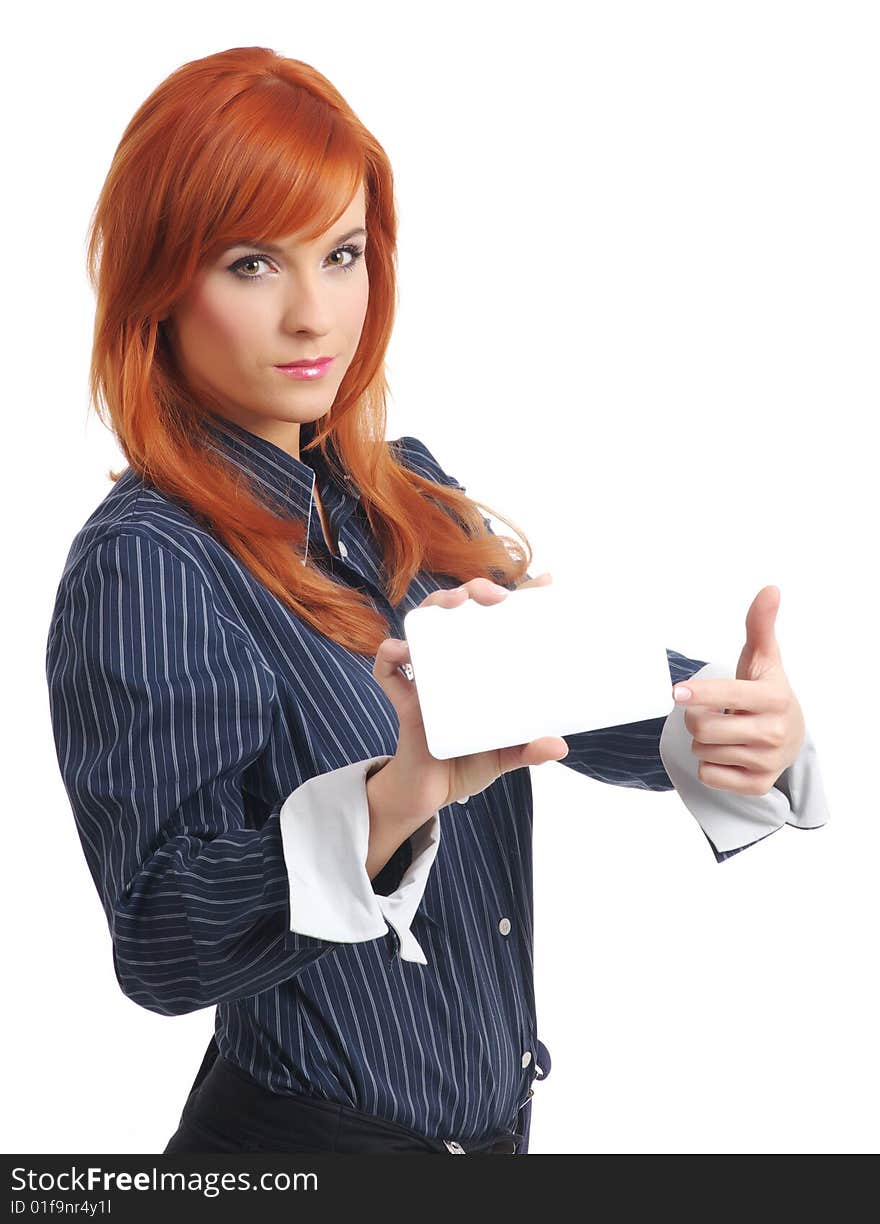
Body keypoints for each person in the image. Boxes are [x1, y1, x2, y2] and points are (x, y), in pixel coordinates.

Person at [45, 46, 829, 1156]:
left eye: (343, 253)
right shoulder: (150, 560)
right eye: (252, 263)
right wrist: (395, 797)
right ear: (159, 283)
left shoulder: (399, 488)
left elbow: (570, 704)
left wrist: (730, 720)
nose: (315, 315)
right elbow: (165, 939)